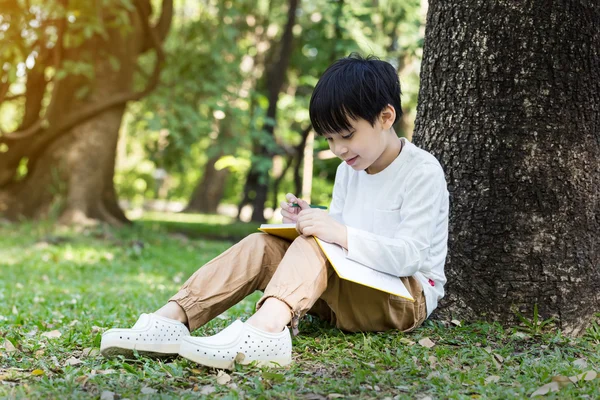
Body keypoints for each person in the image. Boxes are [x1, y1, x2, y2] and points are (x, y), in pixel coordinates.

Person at [100, 54, 449, 369]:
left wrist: (333, 232)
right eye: (329, 139)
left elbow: (410, 257)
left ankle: (265, 332)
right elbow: (343, 233)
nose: (339, 149)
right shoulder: (350, 169)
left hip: (403, 299)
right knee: (262, 244)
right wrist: (309, 221)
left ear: (385, 117)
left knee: (319, 243)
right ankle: (174, 318)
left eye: (346, 134)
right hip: (346, 291)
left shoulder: (421, 171)